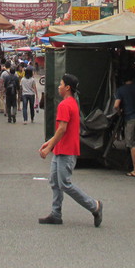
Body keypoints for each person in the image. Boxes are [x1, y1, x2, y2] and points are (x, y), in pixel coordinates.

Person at [38, 74, 103, 227]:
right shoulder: (72, 102)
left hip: (66, 150)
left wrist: (48, 148)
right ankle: (56, 214)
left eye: (61, 84)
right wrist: (50, 144)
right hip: (63, 149)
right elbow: (62, 130)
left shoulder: (65, 105)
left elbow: (62, 129)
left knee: (64, 184)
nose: (59, 86)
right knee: (55, 181)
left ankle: (94, 206)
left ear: (67, 87)